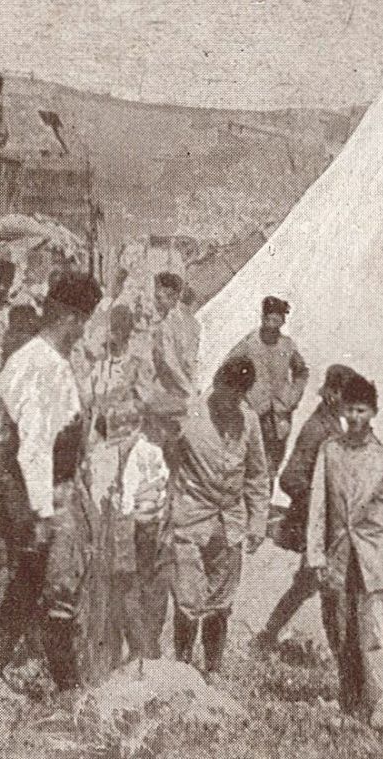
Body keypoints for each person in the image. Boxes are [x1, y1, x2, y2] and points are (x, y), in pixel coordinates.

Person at [0, 272, 102, 675]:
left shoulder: (43, 361)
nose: (84, 331)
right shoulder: (40, 365)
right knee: (58, 592)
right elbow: (33, 445)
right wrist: (43, 512)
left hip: (44, 488)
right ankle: (67, 689)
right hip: (42, 493)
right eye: (84, 321)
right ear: (72, 319)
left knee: (27, 583)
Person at [148, 354, 272, 675]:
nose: (231, 401)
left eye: (239, 395)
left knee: (221, 602)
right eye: (227, 392)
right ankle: (183, 669)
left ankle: (213, 671)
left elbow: (257, 476)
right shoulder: (190, 414)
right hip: (190, 520)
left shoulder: (249, 421)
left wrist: (257, 521)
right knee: (188, 600)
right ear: (217, 384)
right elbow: (160, 454)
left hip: (229, 525)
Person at [306, 371, 383, 729]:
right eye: (350, 410)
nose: (354, 418)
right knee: (340, 631)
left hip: (374, 558)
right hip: (338, 556)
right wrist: (316, 554)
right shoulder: (329, 451)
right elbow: (318, 505)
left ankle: (379, 706)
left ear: (374, 412)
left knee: (373, 635)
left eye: (362, 410)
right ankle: (349, 700)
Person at [254, 364, 349, 650]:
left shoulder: (331, 425)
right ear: (332, 394)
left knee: (311, 584)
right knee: (327, 587)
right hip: (316, 523)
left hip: (327, 523)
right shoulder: (317, 429)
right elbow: (290, 478)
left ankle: (269, 635)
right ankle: (338, 650)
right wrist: (318, 504)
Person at [225, 295, 309, 474]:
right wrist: (241, 398)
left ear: (282, 321)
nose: (271, 325)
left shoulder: (287, 345)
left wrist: (293, 396)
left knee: (273, 462)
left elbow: (301, 372)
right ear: (263, 318)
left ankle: (266, 498)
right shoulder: (249, 343)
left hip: (280, 414)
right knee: (252, 461)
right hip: (255, 411)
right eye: (268, 319)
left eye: (276, 320)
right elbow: (228, 368)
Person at [148, 271, 199, 406]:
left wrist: (189, 388)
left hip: (169, 386)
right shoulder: (151, 319)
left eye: (160, 298)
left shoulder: (174, 323)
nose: (156, 302)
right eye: (156, 296)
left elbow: (176, 361)